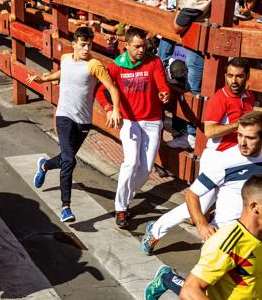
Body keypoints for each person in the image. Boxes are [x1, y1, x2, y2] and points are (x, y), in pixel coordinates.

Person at [141, 58, 256, 255]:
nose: (234, 80)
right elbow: (209, 131)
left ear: (247, 77)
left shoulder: (249, 96)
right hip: (217, 159)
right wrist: (238, 124)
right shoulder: (219, 99)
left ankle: (219, 245)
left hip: (237, 159)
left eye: (238, 76)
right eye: (230, 76)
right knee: (197, 205)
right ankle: (156, 229)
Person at [29, 27, 123, 222]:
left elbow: (112, 88)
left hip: (84, 121)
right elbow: (62, 73)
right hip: (64, 116)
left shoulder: (94, 65)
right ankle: (66, 207)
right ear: (74, 44)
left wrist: (115, 109)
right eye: (82, 45)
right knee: (70, 161)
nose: (86, 48)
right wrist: (44, 78)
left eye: (89, 45)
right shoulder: (65, 58)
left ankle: (44, 165)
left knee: (66, 158)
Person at [96, 27, 171, 228]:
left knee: (146, 170)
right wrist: (110, 109)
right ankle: (120, 208)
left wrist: (164, 94)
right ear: (126, 46)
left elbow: (163, 86)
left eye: (143, 46)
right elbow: (100, 91)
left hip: (153, 120)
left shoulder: (153, 62)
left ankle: (125, 195)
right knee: (130, 163)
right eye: (136, 47)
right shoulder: (116, 66)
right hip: (129, 121)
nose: (141, 50)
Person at [145, 172, 262, 299]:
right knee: (198, 283)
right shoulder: (228, 244)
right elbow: (190, 291)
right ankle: (167, 278)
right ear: (255, 207)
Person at [158, 0, 225, 149]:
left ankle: (192, 135)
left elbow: (176, 27)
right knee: (194, 86)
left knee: (194, 89)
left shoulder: (194, 0)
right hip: (213, 38)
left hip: (203, 47)